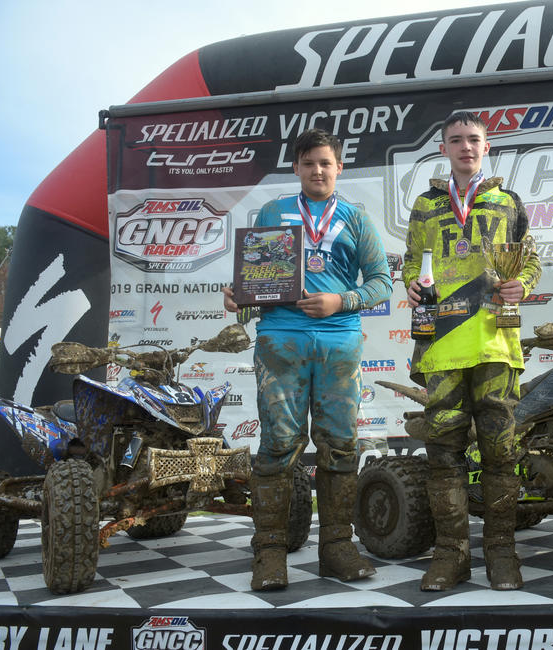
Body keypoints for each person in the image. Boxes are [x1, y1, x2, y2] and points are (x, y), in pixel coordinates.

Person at [222, 128, 392, 591]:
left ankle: (337, 546)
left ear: (339, 168)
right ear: (295, 167)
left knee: (339, 446)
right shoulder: (275, 213)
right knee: (278, 444)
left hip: (339, 345)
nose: (318, 171)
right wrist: (240, 297)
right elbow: (260, 282)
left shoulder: (356, 219)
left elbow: (382, 283)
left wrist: (342, 300)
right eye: (309, 163)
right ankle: (270, 552)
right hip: (281, 342)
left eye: (326, 163)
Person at [403, 111, 541, 591]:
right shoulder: (425, 205)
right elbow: (410, 263)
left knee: (501, 452)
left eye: (474, 139)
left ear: (487, 147)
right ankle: (450, 556)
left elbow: (531, 259)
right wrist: (413, 287)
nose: (465, 146)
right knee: (444, 453)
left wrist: (521, 284)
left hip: (495, 344)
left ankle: (502, 556)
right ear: (443, 148)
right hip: (442, 344)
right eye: (455, 139)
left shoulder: (508, 201)